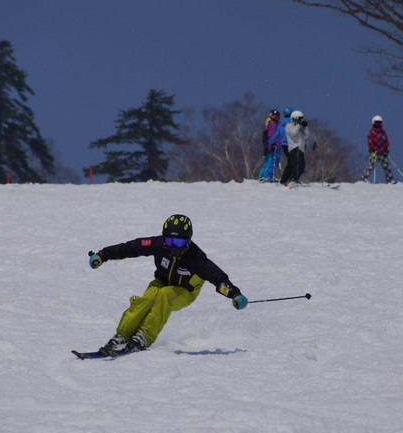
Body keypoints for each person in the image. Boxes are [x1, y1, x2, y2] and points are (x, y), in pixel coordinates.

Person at [87, 214, 248, 356]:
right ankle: (122, 335)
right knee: (148, 298)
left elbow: (217, 276)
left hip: (185, 291)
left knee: (164, 296)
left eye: (178, 242)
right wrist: (103, 255)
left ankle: (144, 336)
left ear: (188, 241)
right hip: (162, 281)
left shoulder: (196, 257)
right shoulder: (159, 244)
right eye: (169, 240)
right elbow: (131, 247)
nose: (173, 247)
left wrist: (234, 293)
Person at [360, 115, 395, 184]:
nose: (378, 125)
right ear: (373, 123)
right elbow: (370, 142)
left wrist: (387, 150)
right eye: (377, 123)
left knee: (386, 166)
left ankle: (390, 180)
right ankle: (364, 178)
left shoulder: (383, 133)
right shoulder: (371, 133)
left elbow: (386, 142)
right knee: (371, 166)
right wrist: (372, 151)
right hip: (375, 152)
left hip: (382, 152)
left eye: (380, 123)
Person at [280, 110, 310, 185]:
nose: (300, 120)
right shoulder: (289, 126)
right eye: (298, 118)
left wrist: (305, 127)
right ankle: (292, 179)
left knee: (301, 167)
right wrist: (298, 125)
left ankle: (291, 179)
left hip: (301, 149)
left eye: (301, 118)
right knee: (296, 165)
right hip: (294, 148)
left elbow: (306, 136)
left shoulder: (299, 127)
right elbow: (293, 134)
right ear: (293, 118)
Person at [258, 110, 281, 182]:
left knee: (268, 161)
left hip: (268, 145)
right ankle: (266, 176)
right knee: (271, 161)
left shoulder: (269, 124)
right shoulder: (273, 124)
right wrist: (273, 143)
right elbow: (271, 135)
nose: (277, 118)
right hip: (271, 146)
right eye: (276, 117)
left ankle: (262, 176)